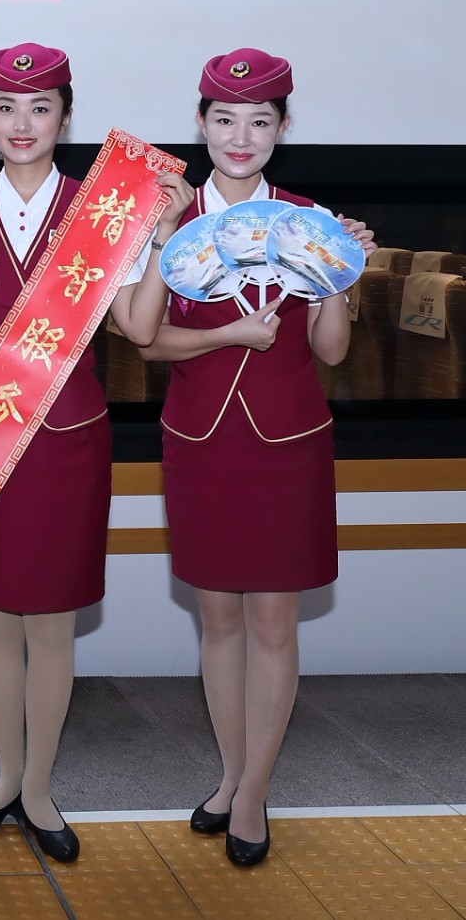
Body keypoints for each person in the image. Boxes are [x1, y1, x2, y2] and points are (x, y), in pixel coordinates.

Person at [0, 43, 190, 862]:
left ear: (66, 118)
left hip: (66, 444)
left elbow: (138, 326)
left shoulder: (104, 212)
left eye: (39, 108)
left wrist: (162, 237)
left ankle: (38, 789)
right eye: (6, 108)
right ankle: (4, 778)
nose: (22, 123)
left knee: (53, 624)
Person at [140, 48, 375, 866]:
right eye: (225, 119)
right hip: (200, 440)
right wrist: (231, 335)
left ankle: (251, 794)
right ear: (201, 124)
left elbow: (333, 351)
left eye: (260, 121)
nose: (241, 137)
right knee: (217, 621)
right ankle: (232, 772)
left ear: (282, 128)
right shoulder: (171, 216)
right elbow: (146, 339)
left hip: (288, 443)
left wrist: (341, 274)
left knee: (273, 623)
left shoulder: (310, 219)